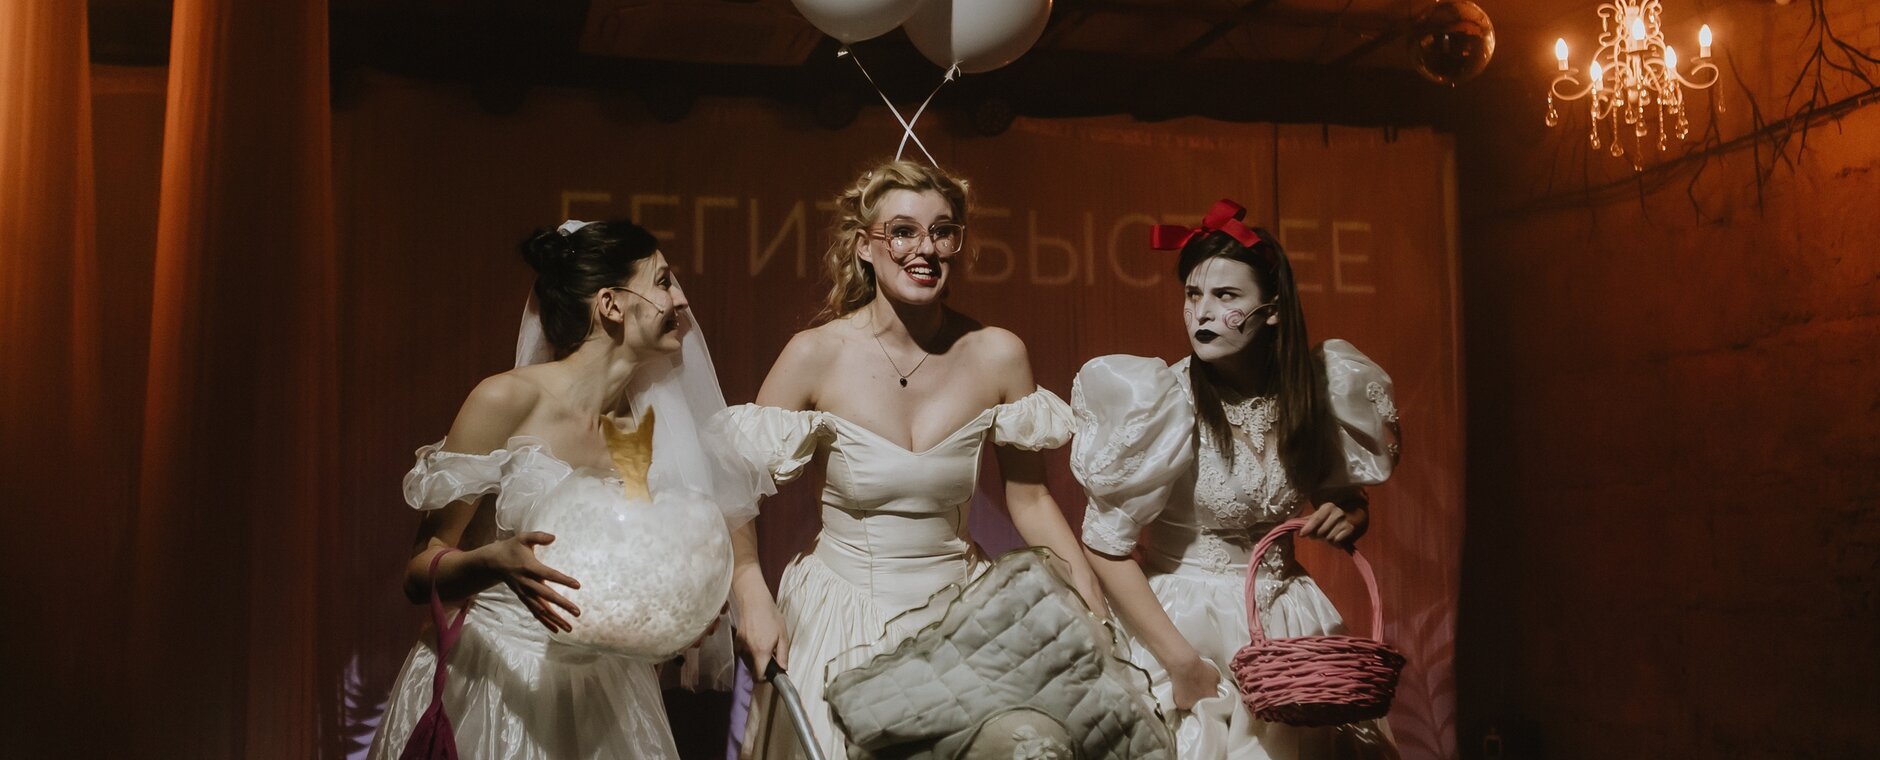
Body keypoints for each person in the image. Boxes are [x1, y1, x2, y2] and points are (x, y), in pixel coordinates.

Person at [717, 161, 1107, 759]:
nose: (924, 249)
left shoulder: (998, 354)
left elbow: (1030, 499)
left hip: (961, 620)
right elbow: (734, 489)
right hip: (840, 617)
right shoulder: (816, 355)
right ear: (864, 246)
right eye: (902, 231)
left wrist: (1090, 600)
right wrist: (750, 593)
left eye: (942, 231)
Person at [369, 218, 761, 759]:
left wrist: (672, 615)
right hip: (495, 683)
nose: (682, 299)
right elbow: (419, 572)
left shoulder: (642, 437)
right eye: (664, 281)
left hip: (608, 697)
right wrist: (493, 562)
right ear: (611, 305)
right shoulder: (505, 401)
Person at [1072, 199, 1403, 759]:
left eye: (1226, 296)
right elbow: (1105, 546)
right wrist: (1181, 662)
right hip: (1184, 626)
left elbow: (1345, 499)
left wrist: (1348, 516)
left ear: (1272, 310)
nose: (1202, 312)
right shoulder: (1163, 400)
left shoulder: (1311, 394)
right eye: (1193, 294)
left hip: (1289, 625)